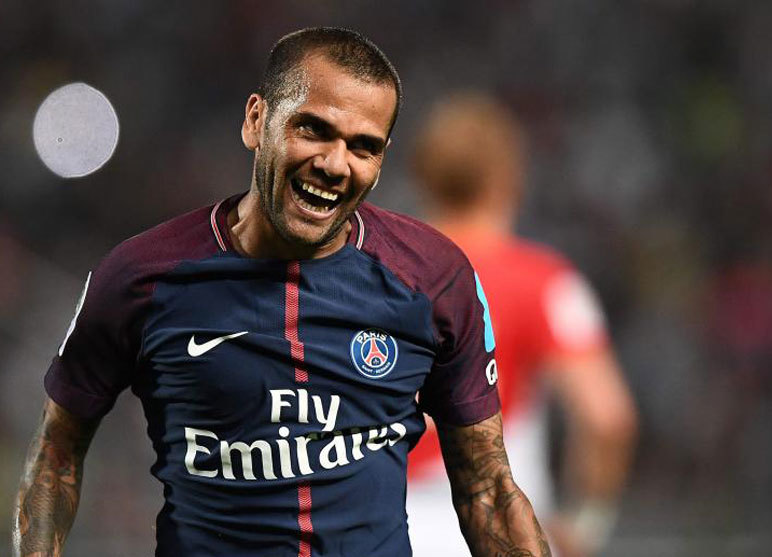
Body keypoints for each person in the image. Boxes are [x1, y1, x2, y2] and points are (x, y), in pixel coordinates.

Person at [13, 28, 550, 557]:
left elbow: (488, 488)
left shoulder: (435, 278)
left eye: (363, 147)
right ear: (256, 121)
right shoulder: (139, 277)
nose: (334, 164)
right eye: (313, 129)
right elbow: (56, 454)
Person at [406, 93, 638, 557]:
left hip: (386, 527)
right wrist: (584, 527)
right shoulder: (541, 282)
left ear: (424, 176)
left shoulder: (374, 276)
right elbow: (607, 417)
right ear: (509, 176)